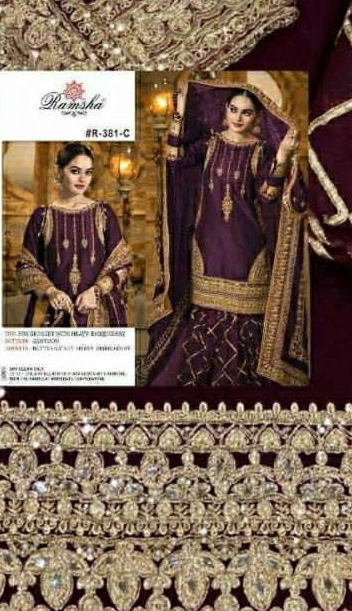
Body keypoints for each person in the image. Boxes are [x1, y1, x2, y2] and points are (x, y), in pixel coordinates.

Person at [148, 80, 309, 386]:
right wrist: (179, 113)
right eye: (233, 109)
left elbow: (268, 194)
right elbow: (175, 159)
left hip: (246, 250)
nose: (238, 117)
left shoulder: (261, 151)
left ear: (257, 117)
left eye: (246, 112)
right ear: (225, 110)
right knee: (203, 315)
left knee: (245, 320)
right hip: (208, 248)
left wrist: (283, 156)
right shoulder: (209, 144)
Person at [15, 143, 131, 327]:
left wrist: (96, 291)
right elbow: (26, 266)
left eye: (88, 172)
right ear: (59, 171)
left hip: (97, 314)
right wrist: (50, 291)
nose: (82, 179)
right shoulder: (42, 217)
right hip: (53, 314)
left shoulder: (104, 214)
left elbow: (121, 265)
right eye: (75, 171)